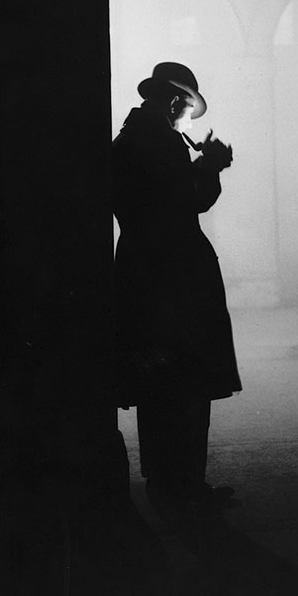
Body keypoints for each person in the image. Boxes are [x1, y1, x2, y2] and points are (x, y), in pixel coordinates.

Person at [112, 61, 242, 517]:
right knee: (184, 384)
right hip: (174, 278)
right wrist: (211, 166)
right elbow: (189, 203)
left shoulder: (134, 138)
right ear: (173, 101)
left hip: (148, 274)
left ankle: (173, 483)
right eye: (187, 109)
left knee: (163, 385)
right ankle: (179, 486)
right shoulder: (160, 141)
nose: (188, 120)